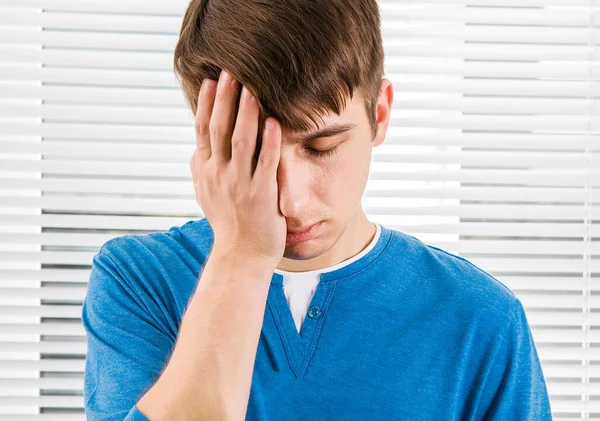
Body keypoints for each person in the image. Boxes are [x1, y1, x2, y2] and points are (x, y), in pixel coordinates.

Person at [81, 0, 553, 420]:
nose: (291, 201)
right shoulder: (139, 280)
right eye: (252, 155)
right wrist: (242, 253)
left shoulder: (480, 319)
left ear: (379, 114)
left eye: (322, 146)